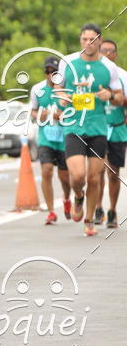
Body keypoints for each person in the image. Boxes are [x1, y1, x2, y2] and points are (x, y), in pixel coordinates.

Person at [57, 23, 124, 236]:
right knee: (78, 175)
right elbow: (57, 87)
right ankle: (78, 196)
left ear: (99, 41)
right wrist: (62, 97)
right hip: (74, 127)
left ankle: (89, 220)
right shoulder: (67, 62)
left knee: (94, 178)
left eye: (92, 39)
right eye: (84, 39)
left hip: (98, 128)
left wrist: (110, 96)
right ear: (80, 40)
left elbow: (120, 97)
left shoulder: (109, 68)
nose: (88, 43)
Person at [29, 55, 71, 224]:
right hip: (45, 137)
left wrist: (63, 116)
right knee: (46, 170)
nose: (50, 75)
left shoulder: (66, 90)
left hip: (64, 138)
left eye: (54, 72)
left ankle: (67, 198)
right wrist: (43, 114)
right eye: (47, 72)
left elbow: (75, 113)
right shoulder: (37, 89)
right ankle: (51, 211)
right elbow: (33, 112)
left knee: (65, 177)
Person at [95, 39, 127, 228]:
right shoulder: (93, 74)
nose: (107, 53)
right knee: (97, 170)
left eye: (111, 51)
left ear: (115, 54)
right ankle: (98, 207)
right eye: (104, 50)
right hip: (97, 128)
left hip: (117, 128)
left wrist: (115, 97)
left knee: (113, 173)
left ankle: (112, 210)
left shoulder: (123, 76)